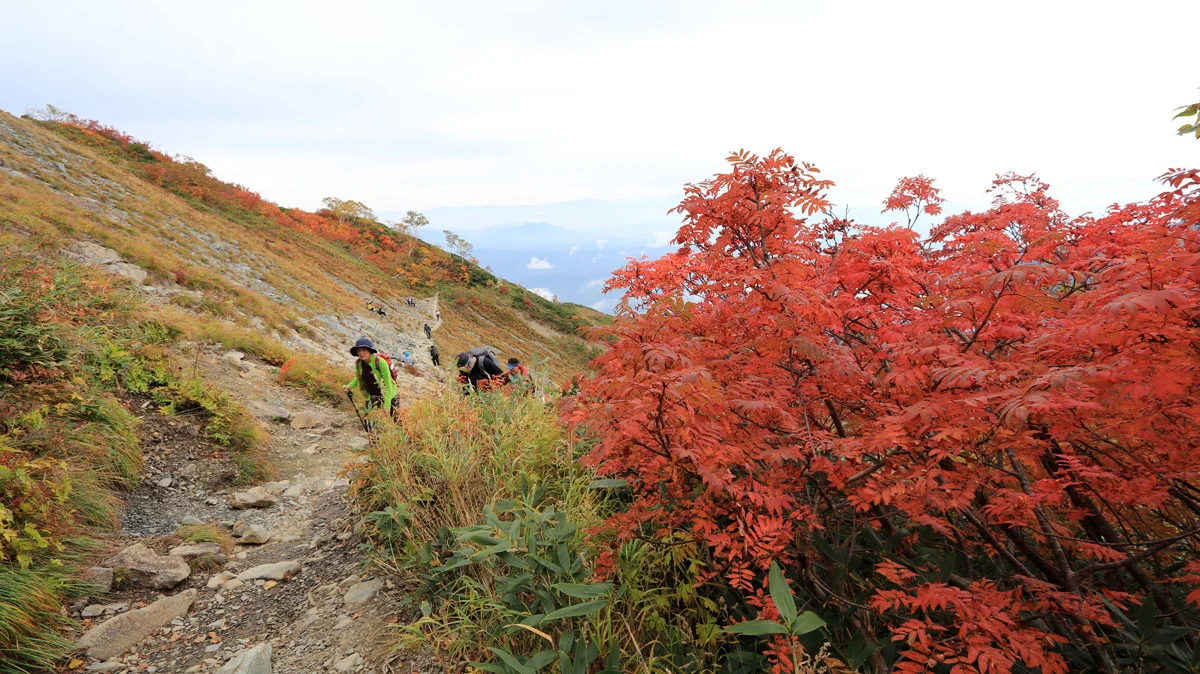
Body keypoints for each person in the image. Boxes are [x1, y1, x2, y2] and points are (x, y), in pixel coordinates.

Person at [343, 337, 398, 417]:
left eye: (364, 350)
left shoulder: (380, 362)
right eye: (359, 351)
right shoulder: (359, 363)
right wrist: (349, 386)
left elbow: (387, 385)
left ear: (370, 351)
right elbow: (358, 377)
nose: (361, 353)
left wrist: (386, 405)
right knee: (368, 419)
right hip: (372, 396)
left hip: (389, 395)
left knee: (395, 420)